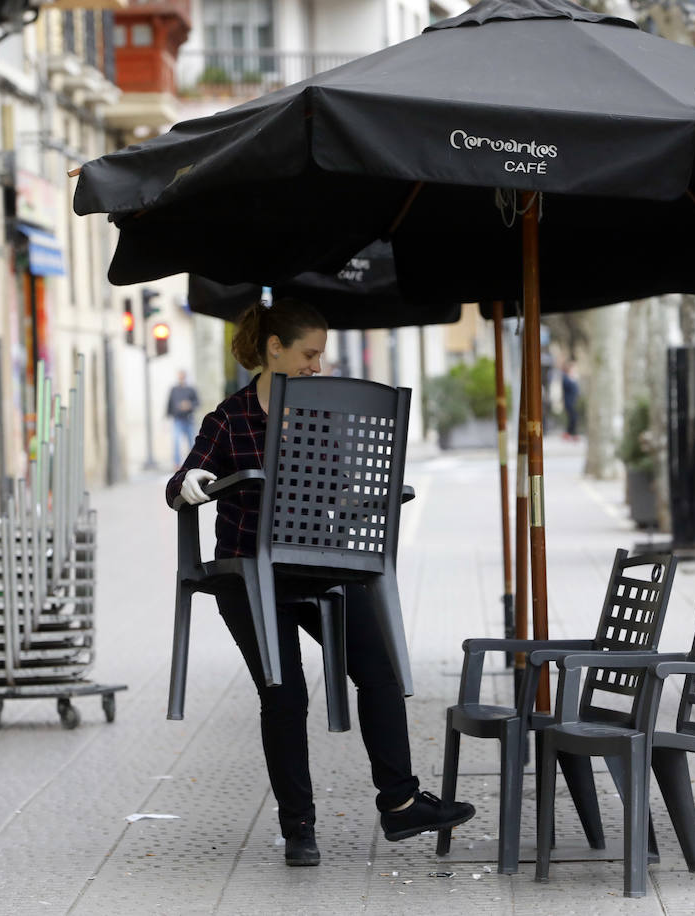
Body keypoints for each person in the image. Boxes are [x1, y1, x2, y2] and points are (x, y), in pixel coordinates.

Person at [165, 298, 475, 867]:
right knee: (283, 693)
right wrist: (192, 482)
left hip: (313, 564)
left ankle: (401, 803)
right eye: (308, 354)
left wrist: (373, 503)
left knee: (377, 669)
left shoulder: (317, 416)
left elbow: (337, 490)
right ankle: (298, 829)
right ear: (274, 348)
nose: (316, 366)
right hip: (246, 573)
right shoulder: (228, 418)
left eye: (321, 357)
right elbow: (182, 480)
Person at [166, 370, 199, 467]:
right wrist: (166, 419)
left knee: (192, 443)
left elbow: (197, 403)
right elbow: (169, 404)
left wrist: (189, 405)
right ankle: (177, 464)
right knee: (176, 443)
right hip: (177, 420)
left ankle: (194, 463)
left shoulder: (191, 389)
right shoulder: (174, 389)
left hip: (189, 420)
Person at [561, 362, 580, 441]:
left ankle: (571, 433)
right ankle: (570, 433)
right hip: (569, 402)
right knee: (572, 418)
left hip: (573, 401)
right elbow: (569, 387)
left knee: (574, 418)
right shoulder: (566, 378)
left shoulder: (571, 378)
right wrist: (573, 379)